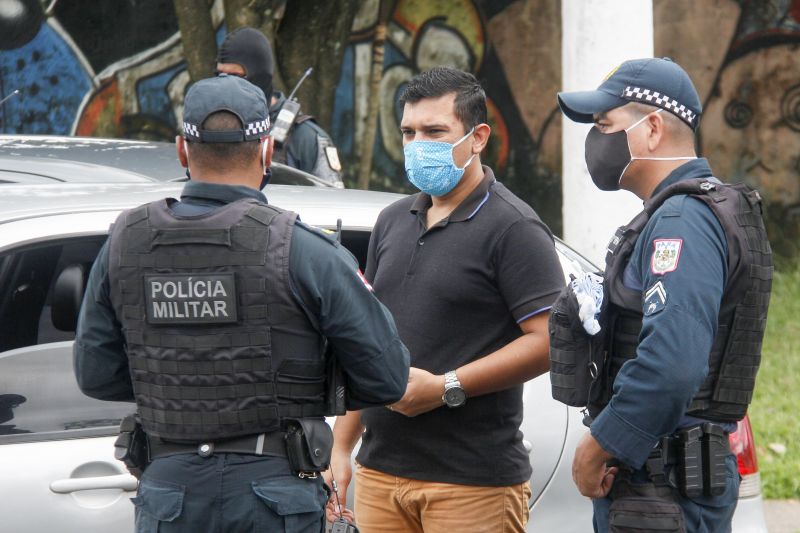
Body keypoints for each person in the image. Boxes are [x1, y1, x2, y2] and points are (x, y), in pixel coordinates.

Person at [72, 74, 410, 533]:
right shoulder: (303, 250)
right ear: (268, 151)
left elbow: (96, 375)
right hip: (274, 495)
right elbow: (388, 378)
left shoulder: (125, 243)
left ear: (181, 150)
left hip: (171, 493)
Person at [326, 66, 565, 533]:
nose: (418, 146)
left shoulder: (514, 228)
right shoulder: (393, 220)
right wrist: (341, 446)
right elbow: (367, 341)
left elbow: (549, 341)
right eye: (409, 132)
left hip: (472, 484)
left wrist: (446, 386)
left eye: (435, 132)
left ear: (477, 137)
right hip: (380, 476)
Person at [555, 57, 772, 532]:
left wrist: (601, 444)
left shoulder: (681, 222)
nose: (596, 139)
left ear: (652, 128)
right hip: (666, 486)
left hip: (660, 492)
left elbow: (672, 362)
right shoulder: (688, 212)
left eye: (604, 124)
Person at [216, 26, 344, 187]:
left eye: (235, 76)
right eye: (219, 75)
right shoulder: (209, 125)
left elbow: (332, 204)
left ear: (259, 75)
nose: (225, 84)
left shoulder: (306, 139)